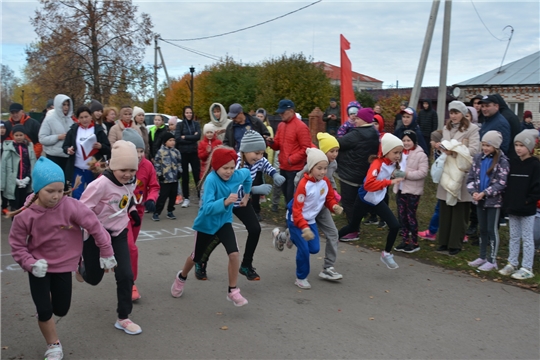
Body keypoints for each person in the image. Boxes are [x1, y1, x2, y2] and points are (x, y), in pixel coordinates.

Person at [8, 157, 116, 360]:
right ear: (38, 189)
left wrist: (106, 251)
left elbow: (95, 227)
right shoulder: (25, 215)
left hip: (64, 265)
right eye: (50, 191)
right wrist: (30, 263)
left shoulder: (71, 206)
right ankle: (53, 345)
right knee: (44, 309)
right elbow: (17, 245)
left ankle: (78, 270)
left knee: (61, 309)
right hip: (38, 267)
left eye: (60, 190)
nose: (57, 196)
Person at [194, 131, 284, 281]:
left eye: (262, 153)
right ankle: (201, 261)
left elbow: (266, 165)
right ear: (245, 150)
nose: (259, 157)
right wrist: (255, 190)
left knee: (255, 229)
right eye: (256, 153)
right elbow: (231, 187)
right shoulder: (233, 163)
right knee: (216, 235)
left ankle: (246, 265)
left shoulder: (258, 160)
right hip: (226, 200)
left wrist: (275, 174)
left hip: (242, 201)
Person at [170, 146, 252, 306]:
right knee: (197, 257)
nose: (229, 172)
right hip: (206, 224)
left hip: (224, 222)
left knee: (234, 254)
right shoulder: (211, 180)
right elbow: (206, 208)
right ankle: (181, 277)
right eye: (225, 168)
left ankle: (233, 291)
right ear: (216, 167)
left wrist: (246, 195)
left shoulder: (237, 174)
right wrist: (225, 201)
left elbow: (248, 176)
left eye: (231, 167)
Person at [78, 140, 143, 335]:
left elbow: (127, 197)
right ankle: (81, 267)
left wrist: (132, 211)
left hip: (118, 232)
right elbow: (83, 209)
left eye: (132, 170)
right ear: (113, 166)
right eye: (123, 169)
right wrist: (95, 230)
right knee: (94, 279)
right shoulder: (100, 185)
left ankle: (123, 317)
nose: (128, 174)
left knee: (126, 275)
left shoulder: (129, 181)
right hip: (96, 235)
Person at [276, 132, 344, 281]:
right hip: (306, 207)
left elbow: (328, 181)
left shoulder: (332, 165)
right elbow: (300, 185)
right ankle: (287, 237)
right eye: (331, 151)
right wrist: (307, 196)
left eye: (336, 151)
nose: (334, 154)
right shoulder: (309, 168)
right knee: (302, 241)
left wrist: (333, 200)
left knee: (332, 233)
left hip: (321, 206)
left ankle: (328, 268)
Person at [338, 133, 405, 269]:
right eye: (395, 152)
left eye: (400, 152)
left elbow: (389, 172)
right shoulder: (377, 164)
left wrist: (395, 175)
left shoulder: (392, 163)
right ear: (386, 151)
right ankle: (333, 238)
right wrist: (389, 181)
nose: (398, 156)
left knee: (395, 226)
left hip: (377, 200)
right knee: (353, 227)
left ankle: (386, 254)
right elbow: (368, 185)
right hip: (364, 199)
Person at [434, 101, 479, 256]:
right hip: (447, 171)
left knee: (460, 211)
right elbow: (444, 146)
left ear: (462, 113)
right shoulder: (447, 127)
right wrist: (441, 147)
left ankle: (455, 243)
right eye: (451, 113)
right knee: (445, 208)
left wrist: (453, 149)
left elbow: (474, 150)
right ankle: (443, 241)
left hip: (461, 172)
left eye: (456, 113)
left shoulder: (472, 129)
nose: (453, 116)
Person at [122, 129, 160, 301]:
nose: (138, 155)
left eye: (141, 151)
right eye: (135, 151)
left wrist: (151, 198)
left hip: (139, 212)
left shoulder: (147, 165)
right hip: (121, 213)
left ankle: (123, 268)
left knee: (129, 248)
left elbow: (154, 186)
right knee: (131, 248)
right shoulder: (118, 165)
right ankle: (130, 283)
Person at [499, 130, 540, 279]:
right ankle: (512, 262)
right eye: (516, 145)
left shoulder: (535, 165)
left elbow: (537, 188)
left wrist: (528, 200)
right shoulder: (512, 163)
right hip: (513, 207)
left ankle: (527, 267)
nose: (518, 148)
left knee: (527, 238)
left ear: (529, 147)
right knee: (514, 236)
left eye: (521, 145)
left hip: (527, 209)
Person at [466, 131, 509, 271]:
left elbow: (501, 183)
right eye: (483, 145)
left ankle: (492, 259)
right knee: (482, 229)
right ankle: (482, 256)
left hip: (493, 201)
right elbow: (470, 178)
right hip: (479, 200)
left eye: (488, 145)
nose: (485, 148)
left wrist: (485, 193)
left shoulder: (503, 161)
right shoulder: (478, 158)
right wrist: (474, 192)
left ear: (495, 146)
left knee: (491, 229)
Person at [336, 107, 380, 241]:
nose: (355, 119)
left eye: (358, 118)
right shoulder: (373, 132)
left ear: (364, 120)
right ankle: (355, 225)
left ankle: (353, 230)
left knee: (348, 201)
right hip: (363, 172)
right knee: (357, 201)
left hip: (350, 173)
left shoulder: (357, 134)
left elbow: (339, 143)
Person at [267, 99, 311, 205]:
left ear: (291, 111)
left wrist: (291, 160)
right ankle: (290, 217)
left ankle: (293, 218)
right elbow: (277, 145)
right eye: (280, 112)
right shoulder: (281, 125)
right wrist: (271, 142)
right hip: (283, 167)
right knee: (287, 196)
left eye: (283, 112)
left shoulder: (301, 127)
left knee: (292, 197)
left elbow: (306, 148)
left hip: (295, 169)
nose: (280, 114)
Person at [393, 130, 429, 253]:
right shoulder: (399, 153)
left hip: (413, 191)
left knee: (410, 216)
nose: (406, 143)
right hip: (400, 189)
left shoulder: (421, 155)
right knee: (402, 216)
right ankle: (405, 240)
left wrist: (406, 174)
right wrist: (394, 174)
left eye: (409, 140)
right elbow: (394, 167)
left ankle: (414, 242)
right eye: (404, 140)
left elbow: (423, 173)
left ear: (414, 141)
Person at [63, 106, 111, 200]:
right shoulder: (73, 130)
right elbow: (65, 146)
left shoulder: (98, 130)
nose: (84, 119)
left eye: (86, 116)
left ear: (91, 117)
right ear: (78, 119)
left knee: (93, 194)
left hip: (93, 168)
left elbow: (108, 148)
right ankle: (78, 214)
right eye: (81, 117)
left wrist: (101, 146)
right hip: (78, 167)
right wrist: (68, 150)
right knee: (77, 194)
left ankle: (91, 213)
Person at [1, 124, 37, 211]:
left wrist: (28, 177)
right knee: (14, 205)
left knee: (25, 204)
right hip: (13, 182)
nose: (19, 137)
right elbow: (3, 167)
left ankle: (24, 223)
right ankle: (15, 222)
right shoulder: (8, 149)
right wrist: (2, 185)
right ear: (12, 136)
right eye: (16, 135)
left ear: (24, 135)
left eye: (21, 135)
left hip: (26, 180)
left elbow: (32, 163)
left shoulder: (29, 148)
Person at [38, 94, 75, 170]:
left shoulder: (70, 120)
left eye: (68, 105)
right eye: (64, 104)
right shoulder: (49, 119)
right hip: (53, 157)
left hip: (67, 156)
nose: (66, 107)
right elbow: (42, 138)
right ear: (58, 105)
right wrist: (58, 137)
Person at [175, 106, 201, 208]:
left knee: (197, 175)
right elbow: (177, 138)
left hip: (194, 152)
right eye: (187, 113)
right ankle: (186, 198)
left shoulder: (196, 124)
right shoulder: (180, 125)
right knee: (184, 176)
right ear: (184, 114)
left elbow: (197, 137)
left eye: (190, 112)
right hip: (183, 153)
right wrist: (191, 138)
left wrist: (185, 136)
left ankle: (200, 197)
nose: (189, 114)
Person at [153, 132, 182, 221]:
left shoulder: (176, 152)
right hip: (165, 179)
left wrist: (180, 172)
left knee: (173, 196)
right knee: (163, 196)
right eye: (170, 140)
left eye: (173, 140)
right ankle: (156, 212)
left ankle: (170, 211)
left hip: (174, 179)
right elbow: (157, 164)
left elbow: (179, 163)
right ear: (165, 142)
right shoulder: (160, 152)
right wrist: (159, 174)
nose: (172, 142)